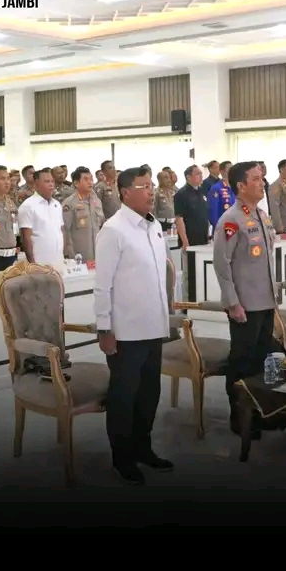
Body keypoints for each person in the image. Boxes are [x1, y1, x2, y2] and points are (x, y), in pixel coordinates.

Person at [93, 165, 173, 485]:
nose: (151, 191)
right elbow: (103, 286)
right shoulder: (113, 230)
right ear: (126, 193)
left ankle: (143, 448)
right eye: (143, 186)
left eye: (151, 185)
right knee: (124, 397)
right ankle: (122, 458)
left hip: (153, 326)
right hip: (126, 331)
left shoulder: (153, 226)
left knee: (149, 393)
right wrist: (104, 329)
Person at [213, 161, 279, 435]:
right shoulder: (231, 220)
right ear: (241, 185)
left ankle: (260, 412)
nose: (262, 183)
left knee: (261, 360)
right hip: (245, 304)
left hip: (265, 300)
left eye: (262, 178)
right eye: (255, 179)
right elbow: (222, 264)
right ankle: (239, 417)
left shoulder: (261, 215)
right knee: (241, 361)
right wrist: (232, 302)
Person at [18, 168, 66, 269]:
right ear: (36, 184)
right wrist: (32, 264)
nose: (51, 185)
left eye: (52, 181)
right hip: (40, 262)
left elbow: (61, 230)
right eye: (47, 181)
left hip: (58, 260)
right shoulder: (28, 205)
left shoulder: (57, 204)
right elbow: (26, 237)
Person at [62, 166, 104, 262]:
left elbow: (101, 225)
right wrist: (68, 253)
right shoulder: (69, 203)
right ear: (76, 183)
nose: (90, 182)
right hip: (79, 255)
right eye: (86, 179)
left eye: (91, 179)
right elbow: (65, 230)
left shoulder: (97, 201)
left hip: (97, 253)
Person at [207, 161, 234, 231]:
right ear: (222, 171)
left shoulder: (235, 187)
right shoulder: (216, 188)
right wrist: (218, 228)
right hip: (222, 228)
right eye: (229, 169)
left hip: (235, 227)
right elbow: (213, 211)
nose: (232, 171)